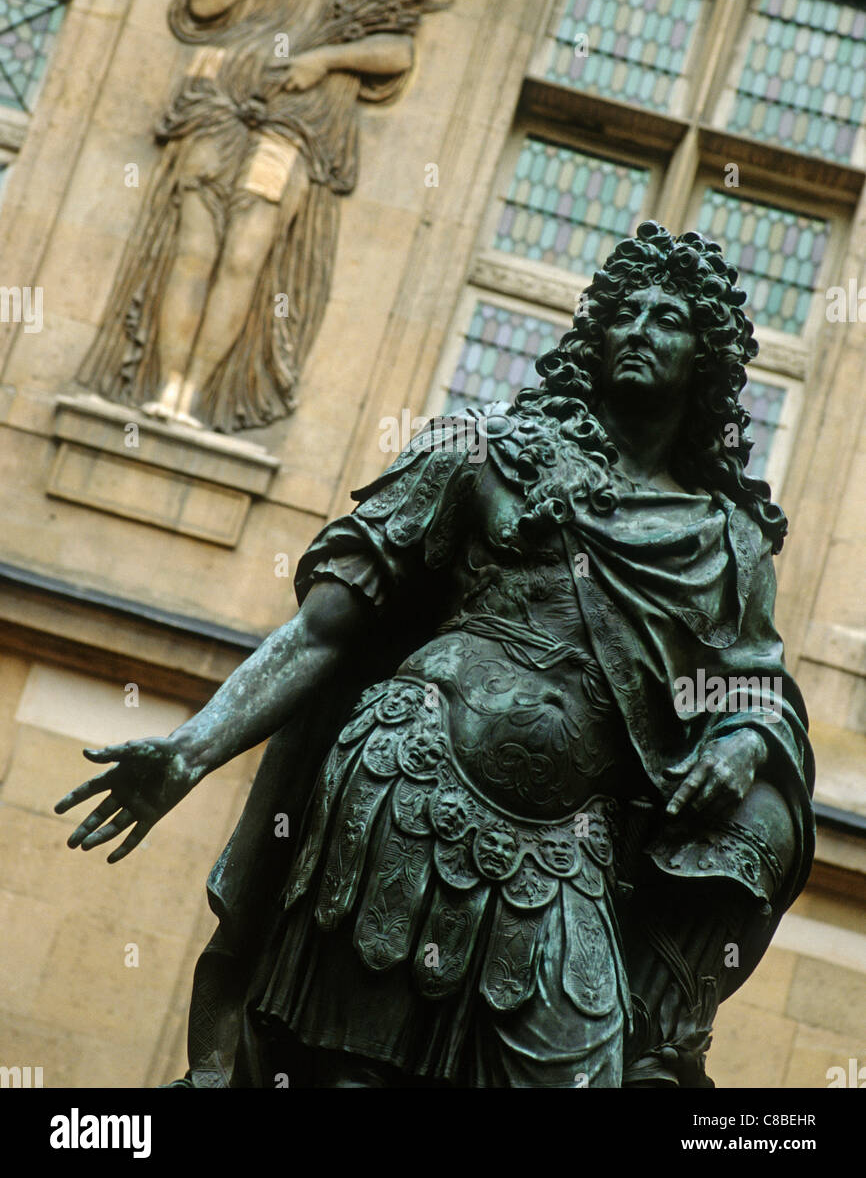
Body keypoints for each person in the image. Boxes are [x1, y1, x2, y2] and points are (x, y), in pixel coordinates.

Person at [57, 222, 815, 1088]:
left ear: (707, 357)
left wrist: (743, 740)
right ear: (597, 335)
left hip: (570, 848)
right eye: (626, 312)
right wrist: (190, 749)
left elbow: (754, 685)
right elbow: (325, 629)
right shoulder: (481, 447)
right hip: (409, 785)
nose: (640, 328)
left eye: (670, 317)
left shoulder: (728, 542)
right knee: (350, 1077)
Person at [77, 0, 413, 431]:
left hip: (296, 123)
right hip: (221, 101)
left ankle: (198, 394)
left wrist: (324, 60)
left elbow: (397, 53)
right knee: (194, 248)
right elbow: (205, 2)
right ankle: (168, 386)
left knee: (245, 257)